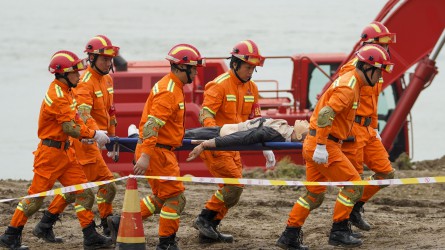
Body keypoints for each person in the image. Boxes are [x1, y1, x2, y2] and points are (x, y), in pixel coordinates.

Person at [276, 44, 394, 249]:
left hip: (317, 143)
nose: (380, 77)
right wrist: (321, 146)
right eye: (379, 71)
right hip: (323, 143)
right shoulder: (349, 87)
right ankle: (338, 231)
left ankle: (289, 235)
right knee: (354, 184)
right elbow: (325, 115)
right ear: (368, 68)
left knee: (314, 195)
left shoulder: (354, 83)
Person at [0, 50, 112, 250]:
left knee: (84, 193)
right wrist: (93, 135)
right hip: (50, 155)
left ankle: (90, 235)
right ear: (63, 74)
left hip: (66, 152)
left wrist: (89, 134)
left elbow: (76, 121)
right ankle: (11, 234)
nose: (79, 75)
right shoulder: (58, 94)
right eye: (75, 73)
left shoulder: (67, 91)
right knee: (35, 199)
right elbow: (69, 127)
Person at [107, 44, 205, 250]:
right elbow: (152, 125)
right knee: (176, 198)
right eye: (193, 68)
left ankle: (121, 221)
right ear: (180, 68)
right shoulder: (169, 91)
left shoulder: (173, 87)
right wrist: (145, 157)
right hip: (157, 152)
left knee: (162, 197)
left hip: (159, 151)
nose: (196, 72)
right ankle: (166, 243)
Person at [33, 35, 121, 241]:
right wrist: (95, 134)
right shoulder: (84, 83)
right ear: (91, 58)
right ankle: (106, 226)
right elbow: (82, 115)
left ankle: (46, 223)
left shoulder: (107, 79)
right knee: (105, 186)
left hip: (95, 141)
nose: (108, 63)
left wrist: (113, 139)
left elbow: (111, 111)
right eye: (103, 59)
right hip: (84, 145)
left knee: (76, 189)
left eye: (110, 60)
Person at [193, 40, 265, 243]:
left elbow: (256, 119)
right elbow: (205, 114)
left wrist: (265, 144)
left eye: (253, 68)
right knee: (234, 186)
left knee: (232, 189)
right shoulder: (219, 85)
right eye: (247, 67)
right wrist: (216, 137)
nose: (250, 72)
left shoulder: (252, 88)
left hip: (235, 147)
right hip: (217, 145)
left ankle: (209, 229)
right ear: (235, 64)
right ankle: (204, 218)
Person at [340, 21, 397, 231]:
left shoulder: (377, 69)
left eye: (386, 44)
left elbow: (372, 105)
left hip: (368, 131)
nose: (386, 48)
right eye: (382, 44)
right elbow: (340, 101)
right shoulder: (352, 70)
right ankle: (341, 226)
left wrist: (375, 128)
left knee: (386, 173)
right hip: (352, 131)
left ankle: (356, 208)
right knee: (353, 181)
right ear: (368, 45)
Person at [185, 118, 309, 162]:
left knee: (175, 138)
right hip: (219, 131)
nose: (306, 122)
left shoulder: (276, 134)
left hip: (218, 134)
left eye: (307, 126)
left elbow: (243, 137)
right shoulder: (284, 129)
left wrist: (206, 144)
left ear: (298, 136)